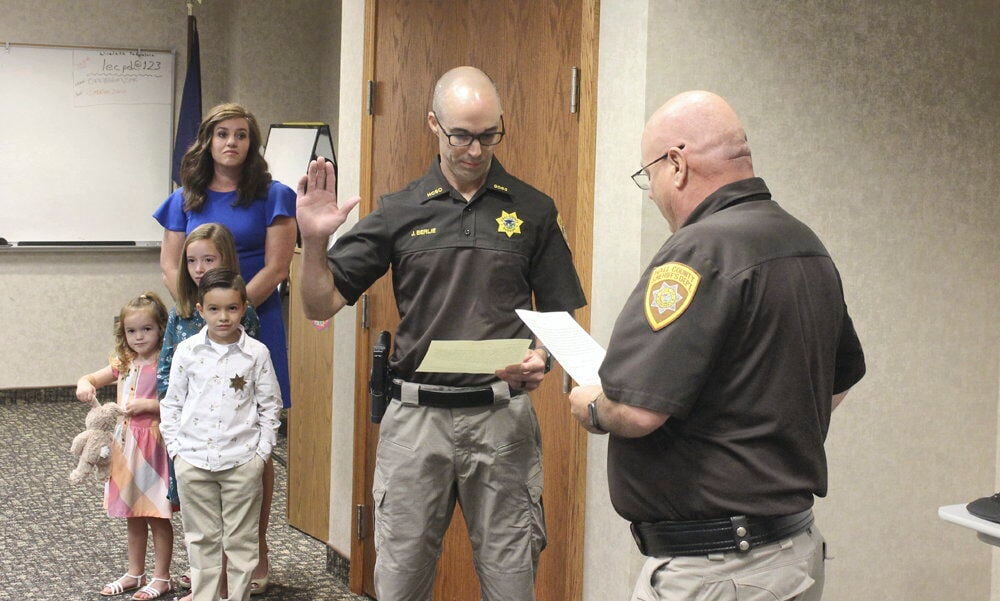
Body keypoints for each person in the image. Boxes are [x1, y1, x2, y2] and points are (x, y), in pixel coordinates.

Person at [296, 66, 586, 601]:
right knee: (400, 583)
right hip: (415, 423)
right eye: (461, 135)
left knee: (511, 583)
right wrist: (313, 243)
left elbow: (561, 318)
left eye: (488, 134)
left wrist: (541, 358)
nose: (476, 150)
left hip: (502, 420)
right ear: (434, 124)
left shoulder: (534, 210)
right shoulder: (400, 210)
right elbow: (320, 302)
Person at [567, 91, 866, 601]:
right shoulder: (804, 243)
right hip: (791, 555)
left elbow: (637, 413)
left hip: (720, 571)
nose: (653, 193)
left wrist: (590, 404)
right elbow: (834, 384)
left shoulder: (699, 251)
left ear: (677, 164)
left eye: (649, 176)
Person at [153, 102, 295, 592]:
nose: (232, 142)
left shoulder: (274, 195)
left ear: (251, 143)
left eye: (241, 134)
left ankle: (254, 554)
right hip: (197, 320)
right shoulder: (184, 198)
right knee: (199, 418)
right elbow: (171, 265)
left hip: (258, 320)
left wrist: (232, 311)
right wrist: (203, 313)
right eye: (222, 135)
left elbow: (277, 268)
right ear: (207, 142)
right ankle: (206, 558)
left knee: (253, 429)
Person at [160, 268, 281, 601]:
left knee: (241, 542)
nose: (223, 317)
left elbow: (270, 408)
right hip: (193, 460)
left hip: (242, 462)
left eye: (231, 308)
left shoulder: (256, 354)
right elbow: (172, 405)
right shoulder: (187, 352)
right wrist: (176, 452)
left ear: (243, 307)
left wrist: (260, 456)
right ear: (201, 310)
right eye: (214, 309)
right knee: (200, 540)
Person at [75, 292, 175, 600]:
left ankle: (162, 577)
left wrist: (151, 405)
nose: (139, 336)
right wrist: (85, 382)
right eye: (132, 331)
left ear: (161, 328)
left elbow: (179, 402)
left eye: (147, 329)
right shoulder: (124, 362)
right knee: (133, 512)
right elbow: (92, 377)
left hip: (154, 445)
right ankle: (135, 572)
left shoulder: (167, 363)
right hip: (125, 445)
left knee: (157, 513)